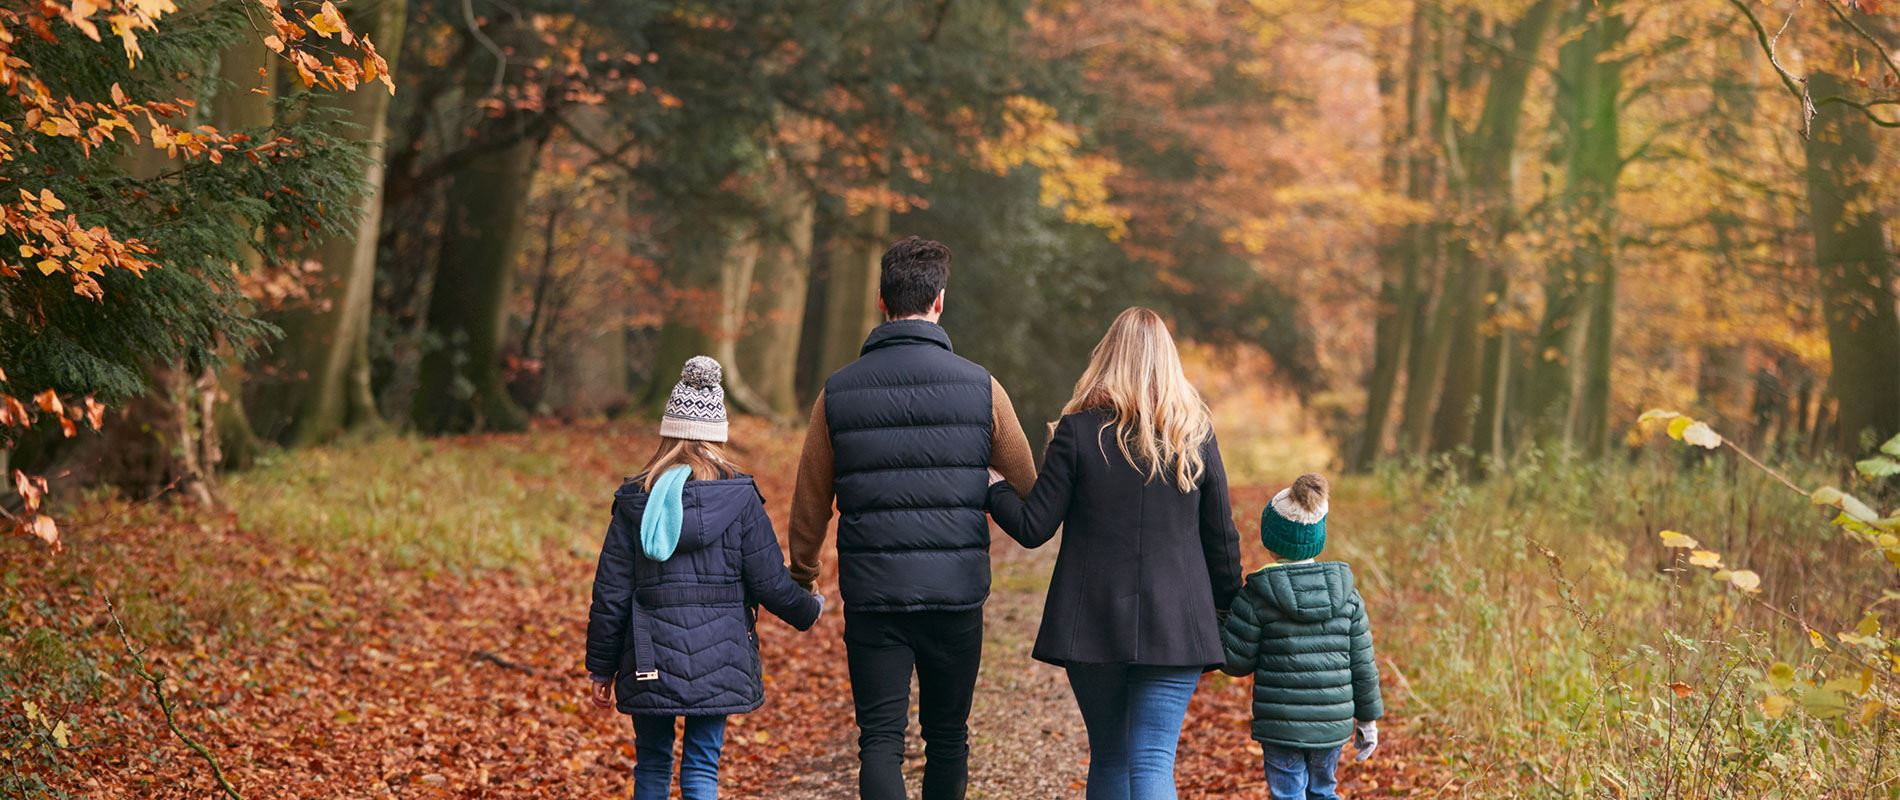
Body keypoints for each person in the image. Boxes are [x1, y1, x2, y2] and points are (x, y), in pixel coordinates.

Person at [787, 236, 1038, 800]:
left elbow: (810, 501)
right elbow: (1025, 482)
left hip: (874, 598)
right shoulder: (983, 388)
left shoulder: (837, 393)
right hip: (955, 596)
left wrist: (804, 573)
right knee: (948, 736)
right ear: (940, 301)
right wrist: (987, 487)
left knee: (879, 739)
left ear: (881, 301)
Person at [985, 306, 1244, 800]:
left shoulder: (1077, 433)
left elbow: (1033, 527)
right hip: (1176, 626)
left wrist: (995, 488)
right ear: (1169, 364)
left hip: (1095, 625)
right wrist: (1230, 606)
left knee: (1109, 756)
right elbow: (1222, 538)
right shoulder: (1195, 436)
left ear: (1106, 359)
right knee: (1152, 762)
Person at [585, 356, 823, 800]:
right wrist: (809, 608)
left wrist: (601, 666)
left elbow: (611, 595)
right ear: (717, 434)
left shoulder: (636, 501)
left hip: (648, 657)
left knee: (652, 763)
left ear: (668, 430)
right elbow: (770, 581)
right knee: (701, 765)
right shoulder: (740, 499)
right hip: (721, 658)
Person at [1219, 473, 1383, 800]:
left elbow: (1236, 662)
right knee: (1323, 791)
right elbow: (1363, 666)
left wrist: (1221, 621)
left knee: (1288, 794)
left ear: (1271, 540)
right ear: (1316, 539)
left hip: (1281, 726)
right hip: (1332, 725)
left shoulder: (1257, 597)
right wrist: (1368, 720)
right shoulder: (1348, 597)